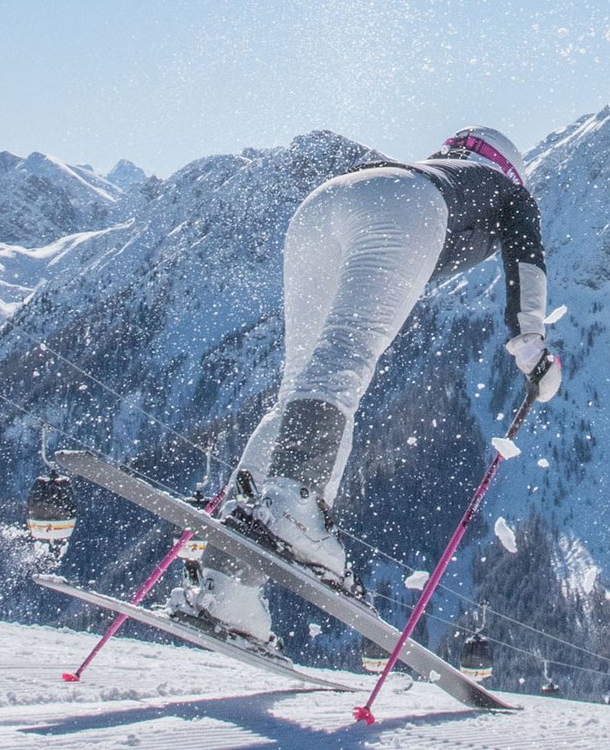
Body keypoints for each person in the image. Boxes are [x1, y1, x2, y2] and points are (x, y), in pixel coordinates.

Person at [171, 125, 561, 653]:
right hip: (403, 210)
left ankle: (224, 587)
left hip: (323, 206)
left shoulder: (442, 170)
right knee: (344, 359)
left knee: (297, 390)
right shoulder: (507, 191)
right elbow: (527, 260)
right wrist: (531, 344)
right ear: (511, 167)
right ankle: (294, 502)